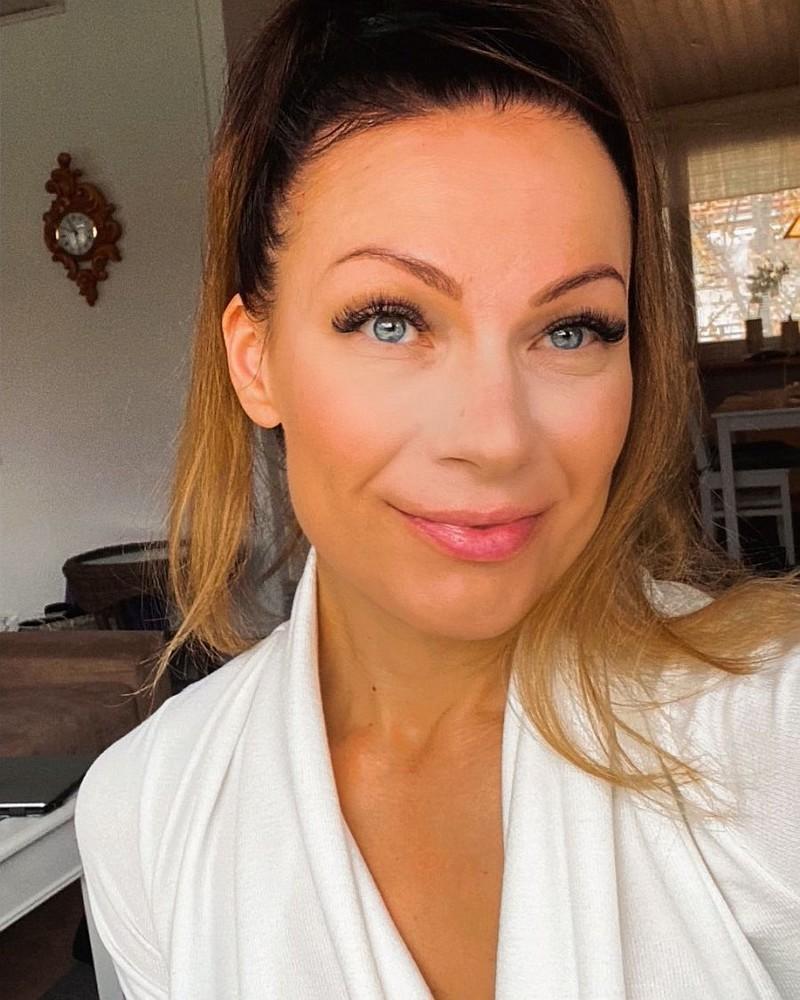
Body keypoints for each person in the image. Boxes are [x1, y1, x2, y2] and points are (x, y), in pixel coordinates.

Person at [74, 2, 800, 998]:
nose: (495, 438)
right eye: (390, 321)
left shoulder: (770, 739)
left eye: (572, 329)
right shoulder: (147, 813)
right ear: (256, 360)